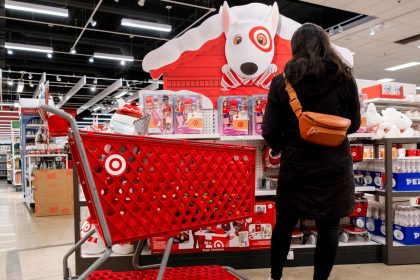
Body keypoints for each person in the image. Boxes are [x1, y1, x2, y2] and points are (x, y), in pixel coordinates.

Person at [262, 23, 361, 280]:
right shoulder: (344, 77)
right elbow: (355, 123)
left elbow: (270, 129)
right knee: (328, 225)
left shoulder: (282, 82)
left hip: (297, 165)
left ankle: (275, 277)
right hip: (335, 165)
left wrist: (287, 145)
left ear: (296, 48)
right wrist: (329, 135)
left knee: (284, 223)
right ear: (325, 45)